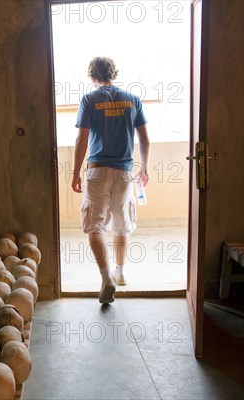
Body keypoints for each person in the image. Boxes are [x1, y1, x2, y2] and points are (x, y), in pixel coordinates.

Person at [71, 57, 150, 304]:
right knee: (121, 222)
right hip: (125, 172)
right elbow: (145, 139)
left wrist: (75, 172)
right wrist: (144, 168)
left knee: (95, 226)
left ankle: (106, 277)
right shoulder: (132, 99)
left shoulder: (89, 100)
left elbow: (82, 140)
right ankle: (121, 270)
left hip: (97, 171)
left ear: (92, 76)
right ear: (113, 74)